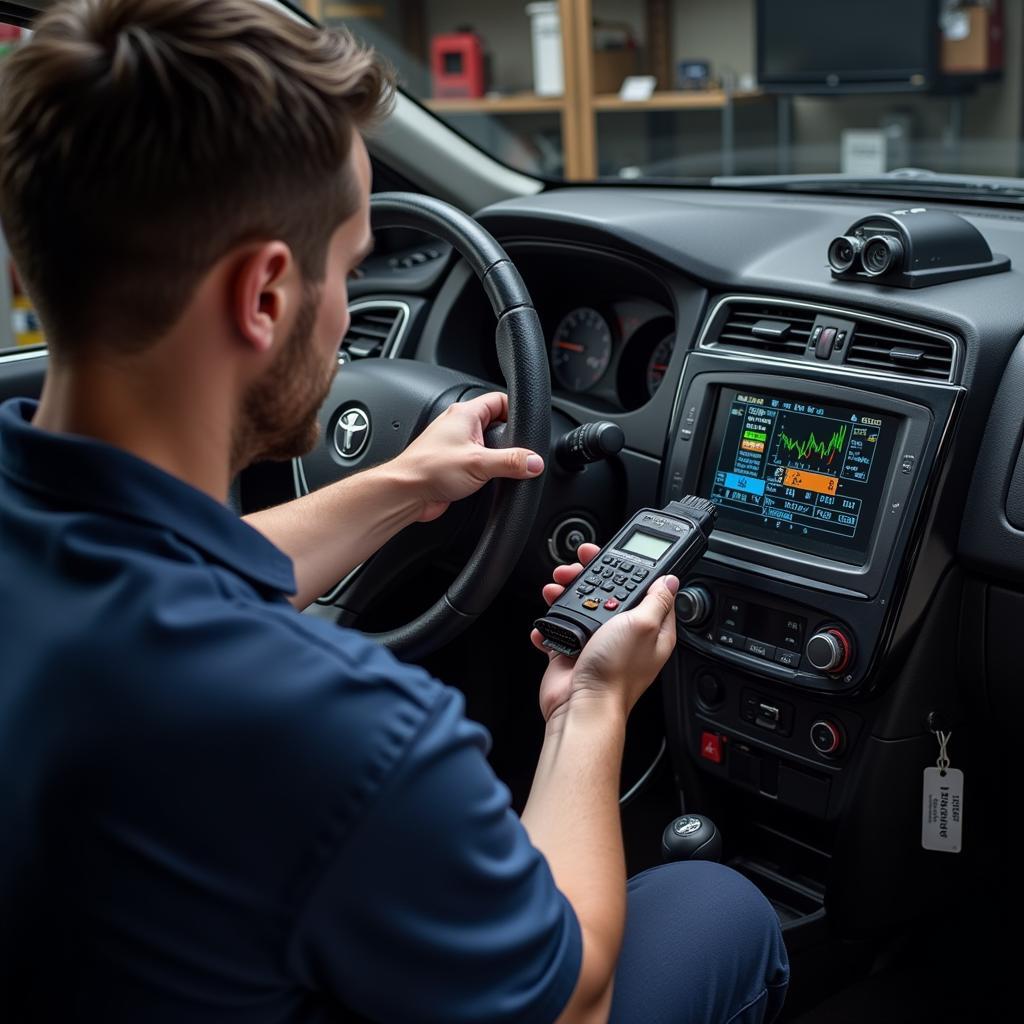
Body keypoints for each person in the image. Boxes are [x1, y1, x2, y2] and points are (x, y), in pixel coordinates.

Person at [0, 0, 788, 1020]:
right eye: (351, 269)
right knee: (716, 906)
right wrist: (588, 704)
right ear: (267, 297)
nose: (347, 320)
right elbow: (574, 1000)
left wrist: (404, 484)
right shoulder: (338, 731)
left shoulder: (63, 560)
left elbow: (163, 568)